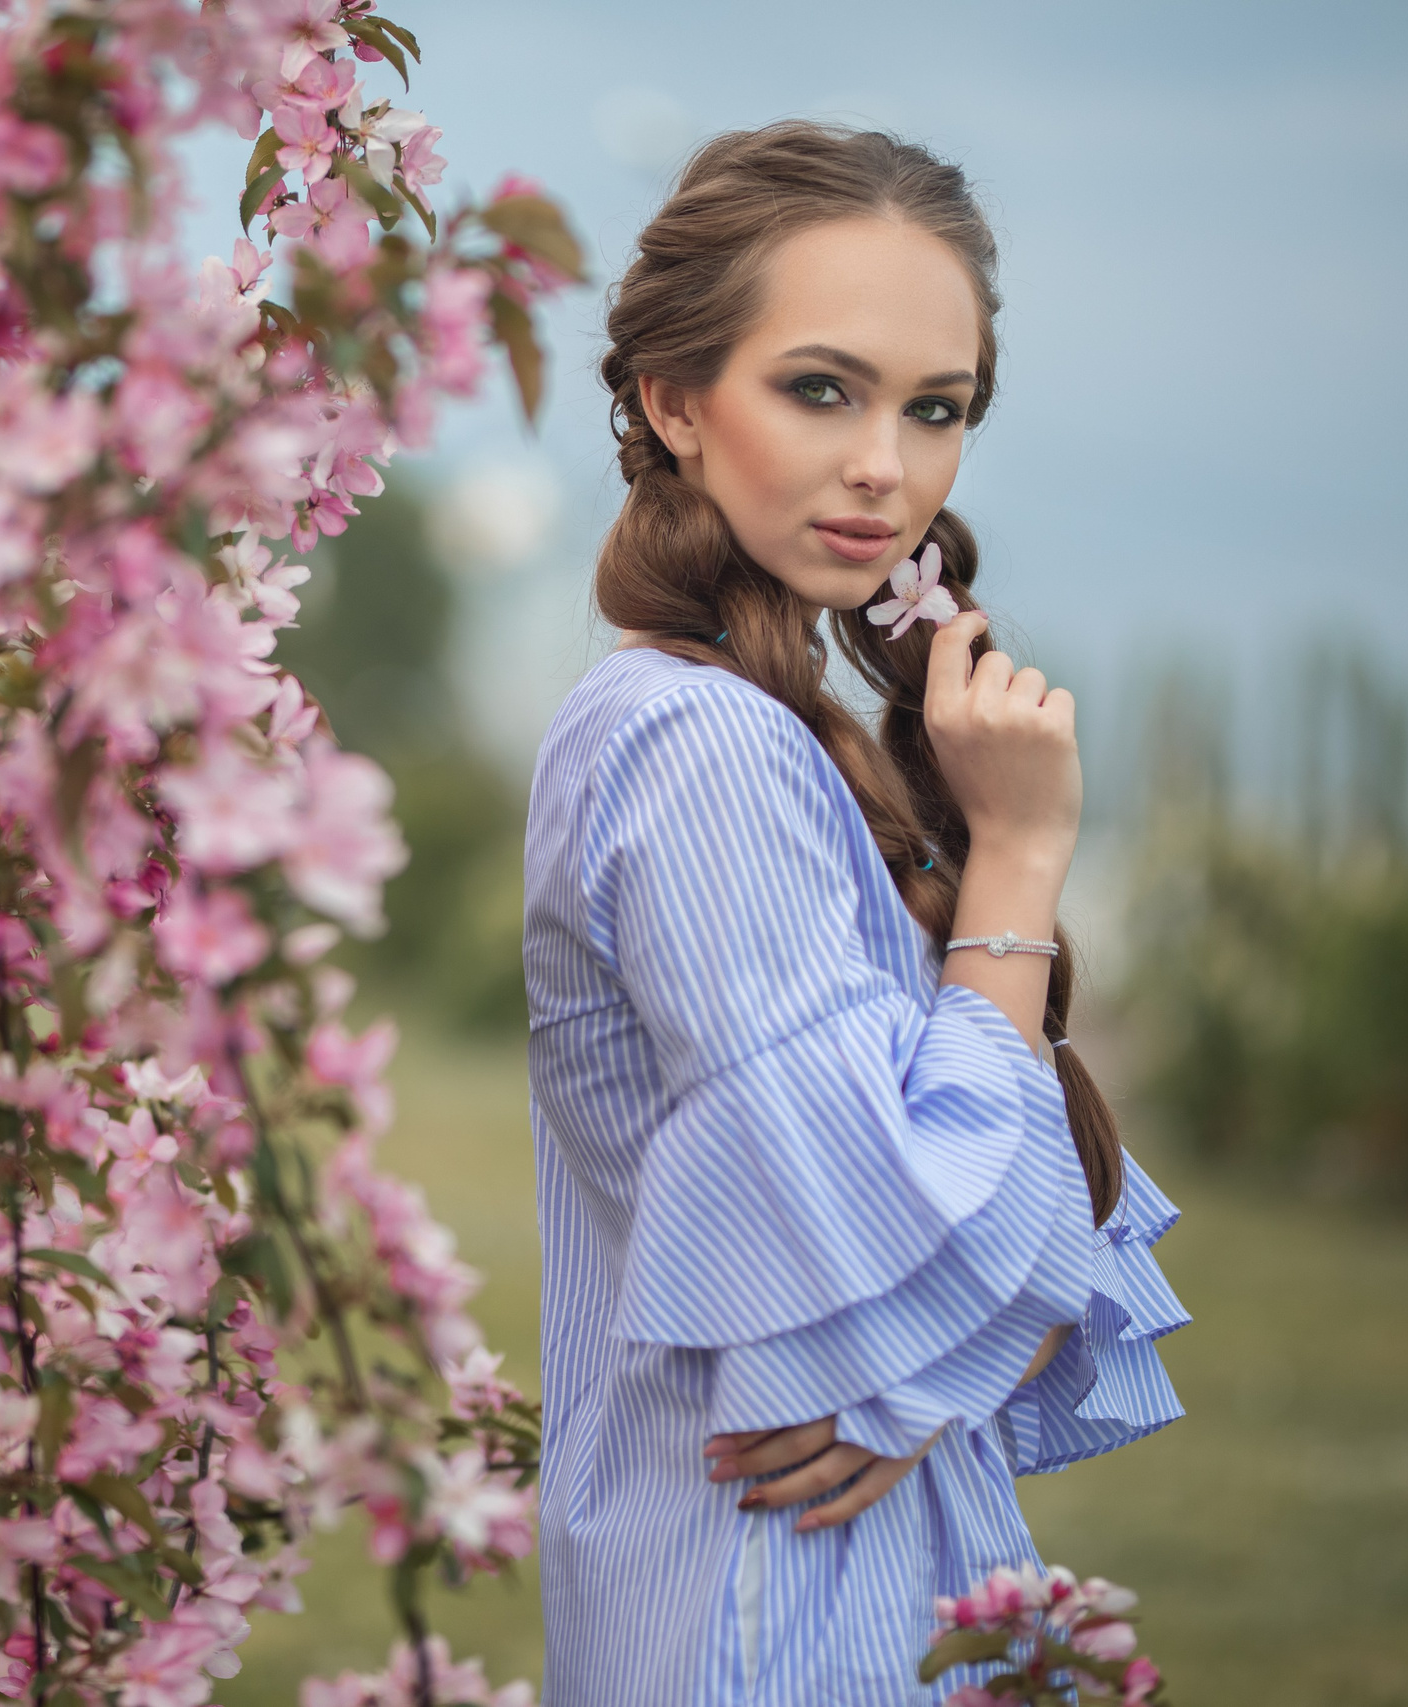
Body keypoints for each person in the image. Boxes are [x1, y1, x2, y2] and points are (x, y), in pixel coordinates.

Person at [523, 123, 1190, 1706]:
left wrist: (926, 1340)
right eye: (821, 388)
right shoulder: (693, 746)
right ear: (676, 401)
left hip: (826, 1576)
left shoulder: (781, 739)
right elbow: (923, 1231)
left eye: (936, 408)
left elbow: (1027, 1271)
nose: (886, 465)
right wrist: (1019, 858)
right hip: (772, 1599)